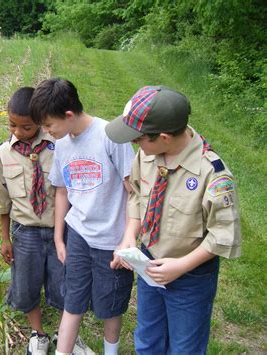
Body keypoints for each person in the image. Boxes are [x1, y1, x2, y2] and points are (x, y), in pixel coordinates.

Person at [107, 85, 241, 354]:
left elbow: (223, 234)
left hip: (191, 276)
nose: (135, 145)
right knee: (147, 338)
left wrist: (180, 266)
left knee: (184, 347)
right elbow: (136, 194)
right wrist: (129, 235)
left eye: (138, 139)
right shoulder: (147, 155)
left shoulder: (212, 175)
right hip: (149, 263)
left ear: (164, 137)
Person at [30, 78, 135, 355]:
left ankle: (110, 351)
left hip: (111, 240)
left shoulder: (110, 136)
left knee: (109, 304)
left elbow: (132, 190)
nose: (46, 132)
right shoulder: (62, 143)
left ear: (68, 115)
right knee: (73, 299)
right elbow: (62, 191)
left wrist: (128, 239)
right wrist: (58, 237)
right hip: (78, 235)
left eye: (49, 125)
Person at [0, 87, 65, 355]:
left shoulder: (58, 146)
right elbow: (1, 200)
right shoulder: (4, 153)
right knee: (26, 284)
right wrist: (5, 238)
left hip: (59, 230)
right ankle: (39, 333)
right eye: (12, 125)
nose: (18, 132)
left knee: (63, 284)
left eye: (26, 127)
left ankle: (65, 334)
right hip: (25, 233)